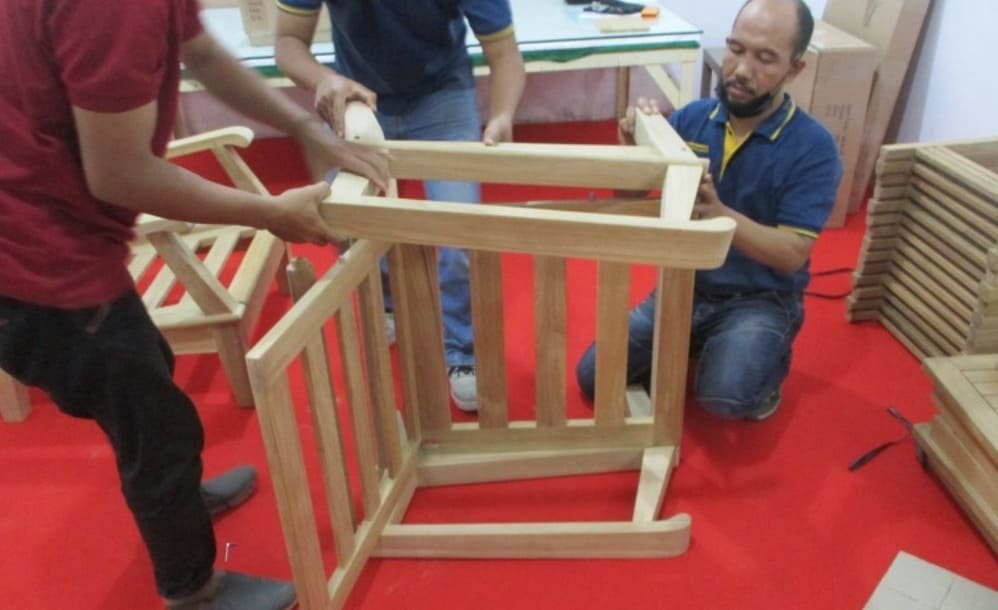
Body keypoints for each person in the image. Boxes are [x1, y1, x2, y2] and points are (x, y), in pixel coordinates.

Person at [0, 1, 389, 608]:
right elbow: (120, 173)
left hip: (57, 228)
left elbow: (202, 52)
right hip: (34, 257)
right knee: (151, 420)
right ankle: (193, 588)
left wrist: (303, 126)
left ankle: (179, 492)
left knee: (143, 369)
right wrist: (269, 213)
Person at [576, 0, 843, 421]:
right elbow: (629, 199)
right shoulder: (693, 119)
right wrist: (633, 153)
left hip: (759, 298)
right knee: (592, 375)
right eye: (736, 49)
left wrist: (719, 213)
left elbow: (793, 253)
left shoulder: (814, 149)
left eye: (765, 58)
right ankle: (705, 341)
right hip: (686, 284)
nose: (739, 69)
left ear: (795, 70)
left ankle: (760, 358)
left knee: (726, 398)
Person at [274, 0, 526, 412]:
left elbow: (504, 54)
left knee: (460, 235)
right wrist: (325, 80)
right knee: (346, 223)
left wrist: (501, 116)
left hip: (442, 96)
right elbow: (287, 41)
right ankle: (388, 299)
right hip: (355, 97)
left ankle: (462, 351)